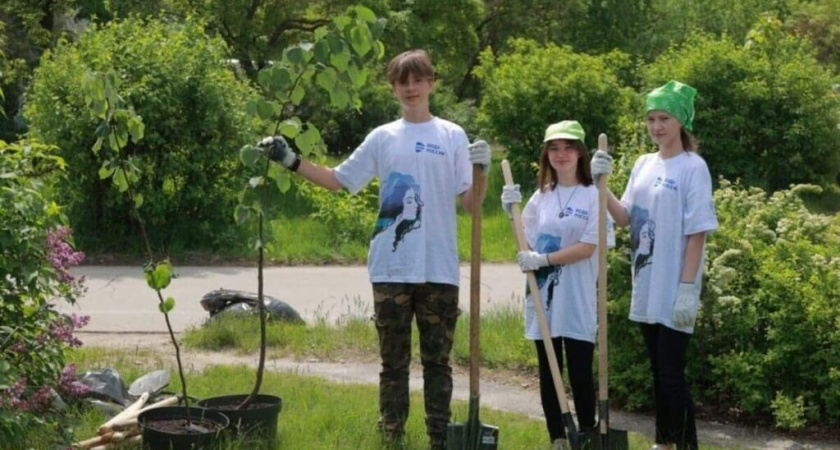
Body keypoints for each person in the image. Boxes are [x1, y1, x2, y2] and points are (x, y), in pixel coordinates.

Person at [257, 49, 490, 450]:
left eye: (418, 80)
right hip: (391, 266)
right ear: (393, 88)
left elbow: (470, 204)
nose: (411, 88)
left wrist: (480, 171)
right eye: (403, 81)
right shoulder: (383, 137)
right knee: (393, 364)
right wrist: (290, 159)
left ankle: (441, 439)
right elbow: (337, 180)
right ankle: (391, 436)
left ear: (432, 83)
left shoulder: (452, 135)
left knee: (438, 364)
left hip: (439, 268)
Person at [590, 80, 719, 450]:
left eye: (664, 118)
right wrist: (603, 185)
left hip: (676, 284)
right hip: (647, 283)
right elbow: (625, 218)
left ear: (681, 121)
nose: (657, 126)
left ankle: (687, 444)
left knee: (671, 374)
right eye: (651, 119)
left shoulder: (694, 167)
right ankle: (664, 443)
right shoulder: (643, 164)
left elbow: (698, 232)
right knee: (659, 373)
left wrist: (685, 290)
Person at [501, 120, 613, 450]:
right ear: (546, 154)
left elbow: (589, 247)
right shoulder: (541, 196)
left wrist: (544, 260)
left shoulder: (595, 196)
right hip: (542, 297)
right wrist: (512, 214)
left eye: (568, 147)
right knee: (549, 371)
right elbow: (526, 243)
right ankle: (558, 438)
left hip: (577, 298)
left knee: (579, 372)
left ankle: (589, 432)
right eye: (554, 148)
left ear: (581, 153)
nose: (560, 154)